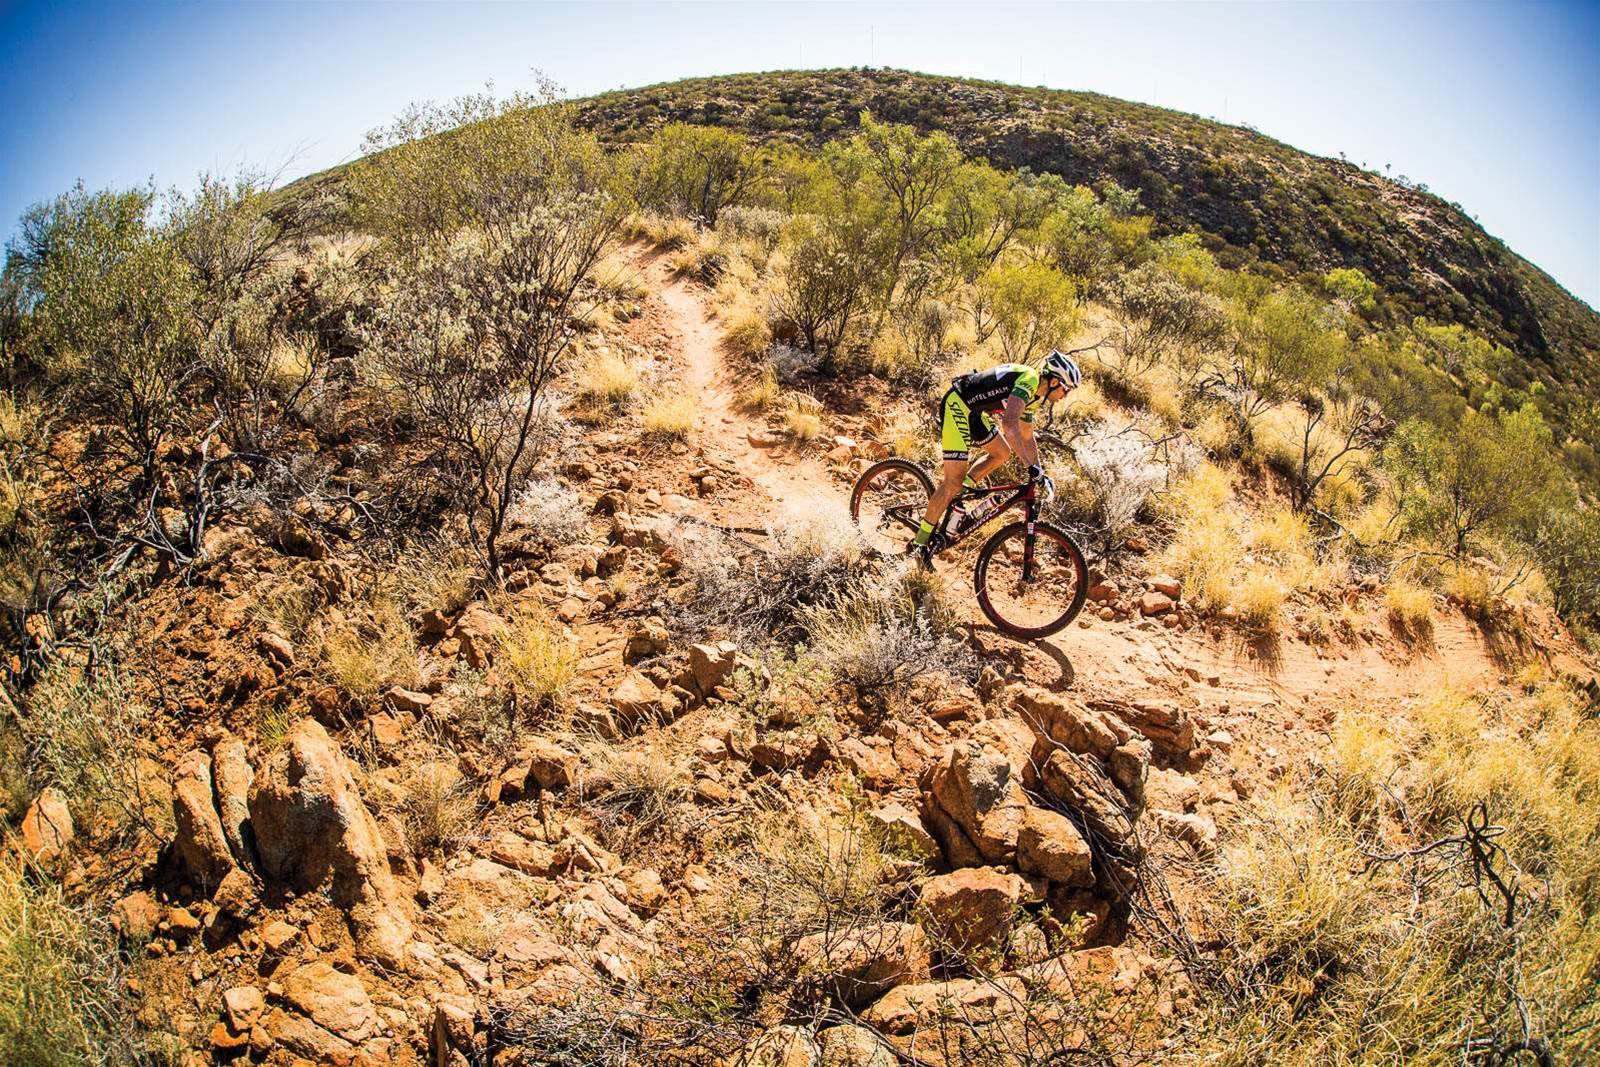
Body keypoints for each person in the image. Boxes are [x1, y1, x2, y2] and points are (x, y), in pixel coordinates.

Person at [911, 349, 1081, 556]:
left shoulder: (1035, 397)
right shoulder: (1029, 381)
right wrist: (1030, 466)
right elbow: (1009, 426)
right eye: (1067, 389)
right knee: (951, 482)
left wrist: (1040, 470)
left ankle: (961, 493)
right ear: (1054, 382)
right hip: (958, 404)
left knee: (1002, 453)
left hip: (974, 411)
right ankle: (918, 545)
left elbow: (1027, 436)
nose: (1066, 395)